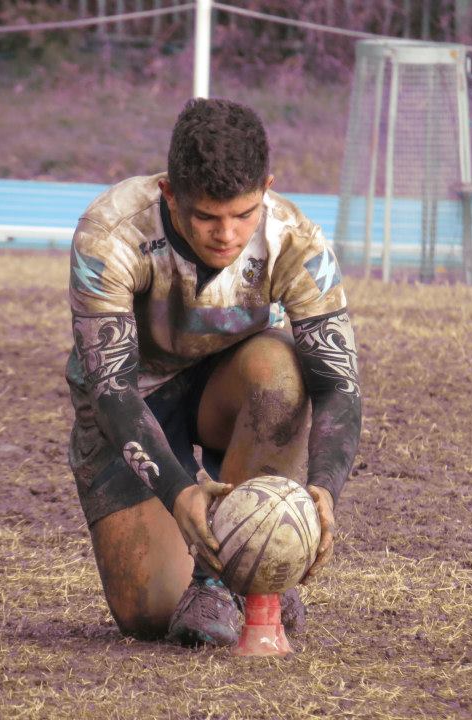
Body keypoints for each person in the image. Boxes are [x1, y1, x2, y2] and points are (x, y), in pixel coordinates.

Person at [65, 97, 362, 646]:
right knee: (152, 619)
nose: (227, 234)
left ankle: (236, 579)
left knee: (282, 372)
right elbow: (112, 389)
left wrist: (324, 489)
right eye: (206, 216)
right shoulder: (109, 232)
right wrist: (179, 492)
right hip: (131, 406)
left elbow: (337, 381)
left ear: (267, 189)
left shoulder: (297, 240)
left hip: (224, 390)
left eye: (244, 214)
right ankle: (224, 552)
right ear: (171, 194)